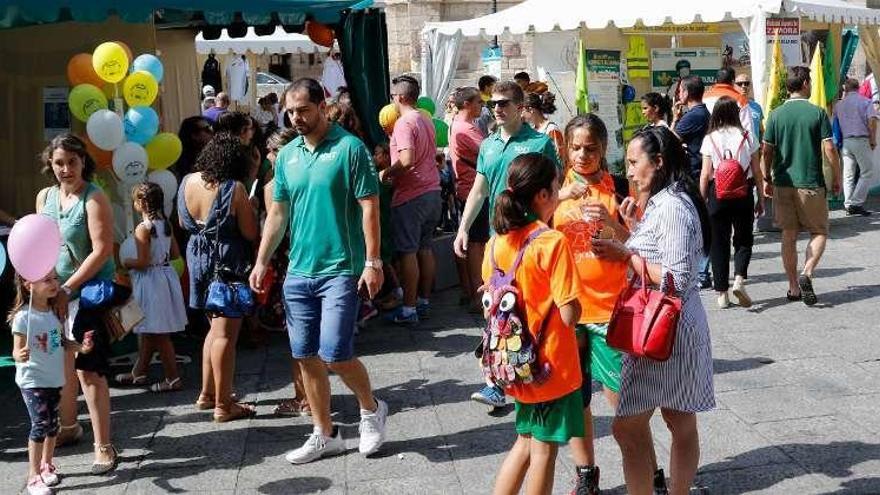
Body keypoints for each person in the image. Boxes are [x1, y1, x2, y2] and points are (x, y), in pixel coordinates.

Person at [249, 78, 388, 464]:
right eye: (291, 111)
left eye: (303, 110)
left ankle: (371, 409)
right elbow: (277, 214)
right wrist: (262, 260)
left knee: (336, 354)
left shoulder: (350, 148)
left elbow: (369, 207)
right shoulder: (288, 155)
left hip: (340, 268)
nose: (296, 118)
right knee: (305, 354)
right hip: (298, 271)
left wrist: (373, 261)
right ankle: (324, 432)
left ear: (323, 106)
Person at [592, 125, 715, 495]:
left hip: (667, 328)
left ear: (658, 162)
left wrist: (625, 254)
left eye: (634, 162)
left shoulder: (673, 206)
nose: (628, 171)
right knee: (677, 421)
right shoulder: (663, 202)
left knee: (632, 427)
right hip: (663, 326)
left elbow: (677, 279)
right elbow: (658, 259)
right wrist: (629, 234)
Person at [552, 115, 668, 495]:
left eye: (591, 148)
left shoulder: (620, 188)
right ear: (565, 147)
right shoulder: (553, 191)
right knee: (576, 399)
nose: (582, 155)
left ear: (604, 150)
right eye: (576, 147)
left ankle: (651, 474)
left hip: (610, 312)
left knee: (626, 406)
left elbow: (643, 245)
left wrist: (614, 226)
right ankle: (587, 474)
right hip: (568, 311)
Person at [454, 80, 560, 409]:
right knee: (496, 308)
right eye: (492, 104)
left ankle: (527, 371)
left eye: (503, 103)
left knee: (527, 309)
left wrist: (548, 230)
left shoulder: (540, 143)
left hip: (530, 240)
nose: (496, 109)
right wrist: (462, 228)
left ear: (520, 108)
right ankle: (499, 380)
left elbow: (554, 189)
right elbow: (479, 190)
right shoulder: (487, 145)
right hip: (497, 239)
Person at [486, 152, 583, 495]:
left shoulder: (497, 242)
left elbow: (492, 298)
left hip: (515, 360)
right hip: (550, 365)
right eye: (556, 187)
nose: (558, 193)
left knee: (526, 442)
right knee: (544, 450)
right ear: (543, 195)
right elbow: (570, 314)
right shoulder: (551, 242)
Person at [35, 134, 118, 472]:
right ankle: (69, 428)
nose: (66, 169)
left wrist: (68, 287)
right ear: (49, 164)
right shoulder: (45, 197)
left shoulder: (94, 198)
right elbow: (40, 244)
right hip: (56, 295)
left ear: (84, 161)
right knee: (61, 368)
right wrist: (44, 290)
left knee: (89, 372)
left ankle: (104, 447)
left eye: (72, 161)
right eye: (59, 163)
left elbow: (102, 251)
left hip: (89, 295)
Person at [178, 132, 258, 422]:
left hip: (197, 259)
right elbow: (250, 232)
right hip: (226, 263)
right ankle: (224, 405)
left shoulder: (186, 181)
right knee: (226, 334)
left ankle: (207, 393)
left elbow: (181, 221)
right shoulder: (233, 187)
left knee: (213, 329)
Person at [761, 66, 842, 306]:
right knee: (819, 231)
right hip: (810, 183)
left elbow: (767, 150)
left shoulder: (775, 115)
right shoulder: (817, 113)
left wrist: (766, 178)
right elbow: (829, 148)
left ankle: (793, 287)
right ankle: (806, 272)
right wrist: (837, 176)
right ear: (805, 83)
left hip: (783, 183)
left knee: (788, 235)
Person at [382, 75, 441, 325]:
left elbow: (406, 160)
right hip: (432, 191)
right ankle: (424, 302)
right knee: (425, 249)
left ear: (400, 97)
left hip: (412, 194)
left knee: (408, 252)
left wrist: (385, 172)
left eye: (393, 97)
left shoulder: (404, 122)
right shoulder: (425, 118)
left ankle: (408, 309)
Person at [116, 183, 188, 391]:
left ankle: (173, 378)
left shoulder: (143, 228)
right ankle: (139, 372)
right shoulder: (166, 224)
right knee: (150, 330)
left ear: (140, 203)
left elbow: (143, 262)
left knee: (159, 334)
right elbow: (174, 254)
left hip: (150, 281)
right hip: (165, 277)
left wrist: (127, 262)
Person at [699, 97, 764, 309]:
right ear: (736, 113)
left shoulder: (710, 138)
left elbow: (705, 173)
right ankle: (739, 279)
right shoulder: (747, 136)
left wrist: (702, 201)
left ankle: (722, 295)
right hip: (742, 193)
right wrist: (761, 198)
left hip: (717, 194)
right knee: (743, 239)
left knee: (719, 242)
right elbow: (757, 170)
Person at [9, 271, 67, 495]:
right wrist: (18, 354)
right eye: (47, 280)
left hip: (53, 378)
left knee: (53, 425)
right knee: (41, 424)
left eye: (55, 278)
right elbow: (16, 349)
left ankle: (46, 465)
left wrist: (81, 347)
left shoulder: (53, 314)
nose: (54, 284)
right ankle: (33, 477)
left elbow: (60, 343)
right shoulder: (23, 316)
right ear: (28, 285)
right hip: (33, 381)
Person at [448, 87, 489, 311]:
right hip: (472, 190)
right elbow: (489, 151)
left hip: (466, 188)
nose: (481, 107)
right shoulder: (465, 128)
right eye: (478, 103)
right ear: (467, 105)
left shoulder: (458, 125)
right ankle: (477, 294)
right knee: (476, 243)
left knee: (470, 241)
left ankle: (469, 290)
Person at [671, 75, 711, 289]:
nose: (678, 95)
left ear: (686, 93)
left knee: (697, 225)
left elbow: (667, 141)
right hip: (700, 172)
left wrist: (675, 118)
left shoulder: (693, 116)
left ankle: (702, 273)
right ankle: (703, 271)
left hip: (695, 174)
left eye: (680, 91)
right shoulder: (703, 113)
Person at [834, 77, 877, 216]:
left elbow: (836, 124)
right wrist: (873, 139)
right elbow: (872, 122)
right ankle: (856, 202)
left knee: (848, 174)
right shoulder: (865, 102)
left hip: (846, 141)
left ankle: (848, 204)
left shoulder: (839, 105)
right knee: (867, 171)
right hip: (861, 140)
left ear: (845, 89)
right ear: (858, 88)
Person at [703, 67, 755, 139]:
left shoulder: (703, 98)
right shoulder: (740, 100)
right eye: (740, 84)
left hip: (707, 145)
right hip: (732, 146)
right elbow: (748, 130)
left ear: (716, 81)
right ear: (733, 82)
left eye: (746, 83)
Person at [523, 92, 565, 158]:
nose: (521, 114)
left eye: (523, 110)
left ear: (530, 110)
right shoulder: (532, 129)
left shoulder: (551, 129)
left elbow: (559, 156)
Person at [734, 73, 765, 144]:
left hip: (755, 150)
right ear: (734, 86)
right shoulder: (731, 106)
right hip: (738, 150)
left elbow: (761, 129)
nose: (743, 86)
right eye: (740, 84)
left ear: (750, 86)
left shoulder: (757, 106)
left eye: (746, 83)